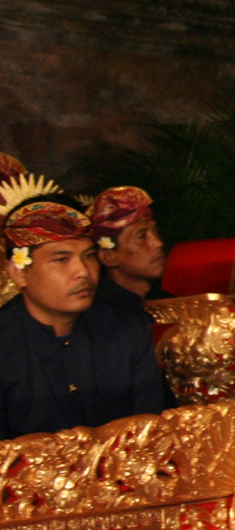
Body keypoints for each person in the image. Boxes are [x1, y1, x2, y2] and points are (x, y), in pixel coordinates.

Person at [0, 175, 168, 438]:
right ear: (19, 272)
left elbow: (152, 429)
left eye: (88, 256)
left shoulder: (127, 329)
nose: (83, 272)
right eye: (61, 259)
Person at [89, 186, 171, 315]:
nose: (158, 243)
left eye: (155, 232)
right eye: (141, 236)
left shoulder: (169, 303)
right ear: (109, 256)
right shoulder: (98, 316)